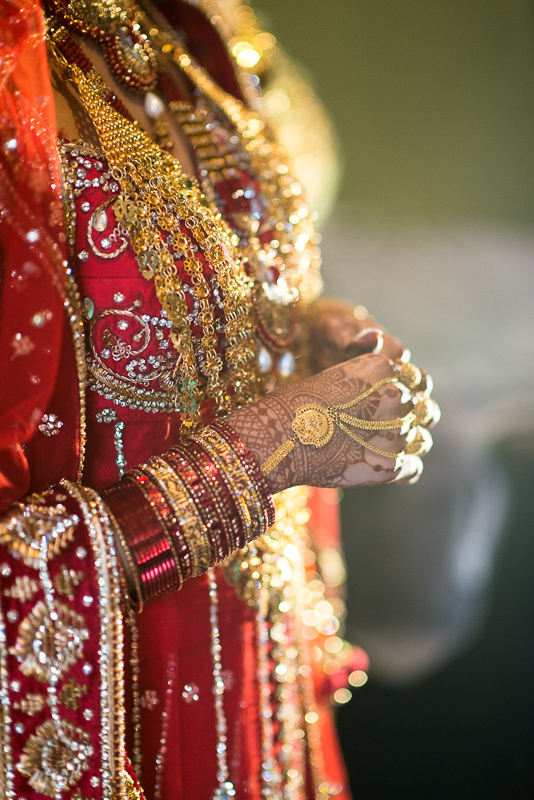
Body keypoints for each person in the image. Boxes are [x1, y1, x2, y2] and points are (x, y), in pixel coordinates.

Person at [0, 1, 439, 798]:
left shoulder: (186, 29)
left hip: (262, 707)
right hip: (142, 729)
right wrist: (267, 450)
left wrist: (292, 328)